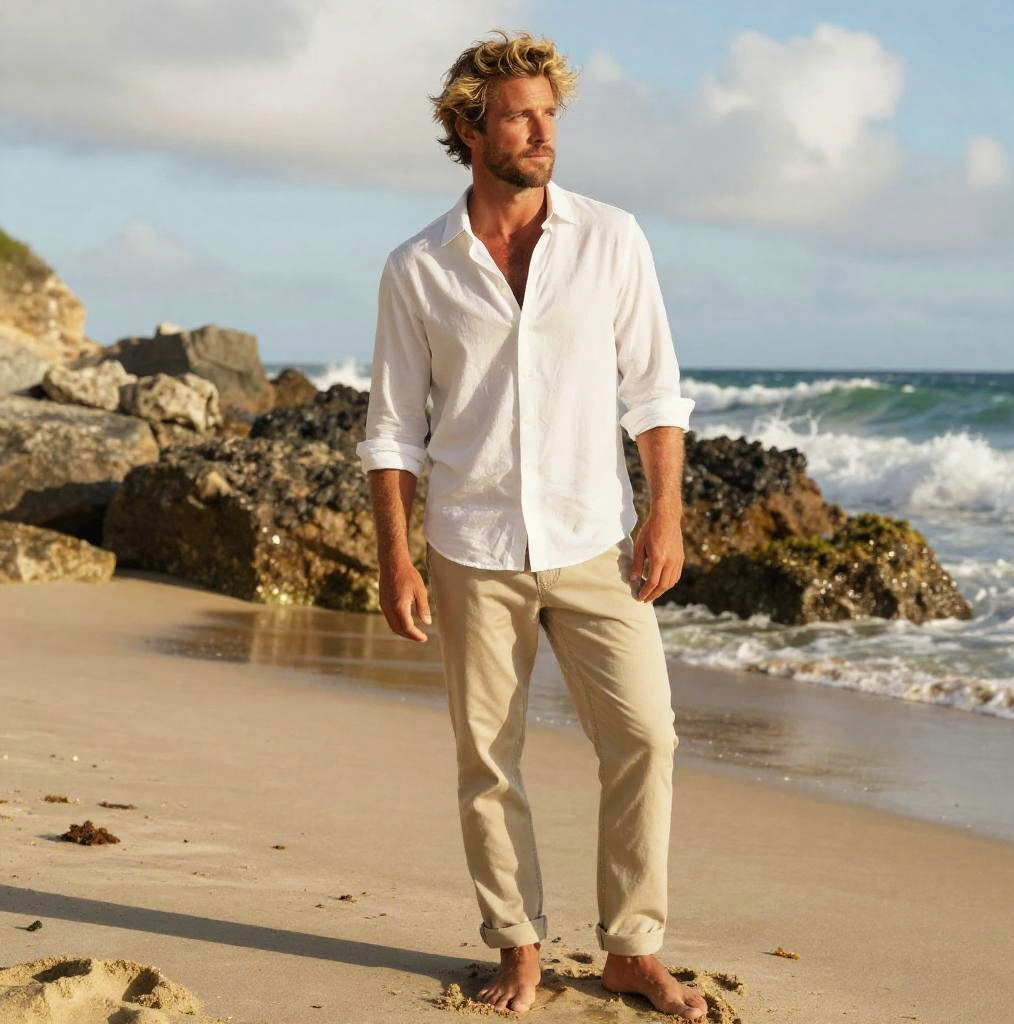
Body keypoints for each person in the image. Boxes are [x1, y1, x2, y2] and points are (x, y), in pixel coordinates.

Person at [355, 29, 706, 1021]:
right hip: (471, 547)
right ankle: (516, 943)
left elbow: (655, 388)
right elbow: (392, 429)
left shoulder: (611, 238)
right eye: (521, 113)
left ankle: (632, 947)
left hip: (595, 536)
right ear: (469, 126)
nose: (544, 130)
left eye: (551, 112)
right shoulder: (417, 267)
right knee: (486, 759)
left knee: (646, 734)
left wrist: (664, 513)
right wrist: (396, 559)